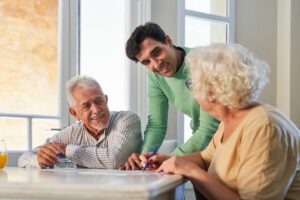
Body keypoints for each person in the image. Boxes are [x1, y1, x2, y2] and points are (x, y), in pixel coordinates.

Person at [143, 43, 300, 199]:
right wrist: (170, 160)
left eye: (191, 84)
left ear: (212, 91)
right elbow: (205, 159)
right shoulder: (229, 121)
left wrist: (191, 172)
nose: (192, 92)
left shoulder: (264, 128)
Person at [123, 22, 220, 170]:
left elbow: (209, 128)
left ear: (168, 41)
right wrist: (144, 159)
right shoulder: (155, 76)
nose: (155, 64)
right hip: (202, 150)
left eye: (156, 52)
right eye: (146, 62)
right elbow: (157, 124)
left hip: (229, 143)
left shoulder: (202, 62)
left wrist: (170, 160)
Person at [18, 75, 142, 169]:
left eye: (99, 101)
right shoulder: (71, 133)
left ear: (106, 100)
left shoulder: (127, 119)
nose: (96, 109)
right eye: (86, 106)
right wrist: (39, 160)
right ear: (74, 113)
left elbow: (115, 159)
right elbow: (23, 159)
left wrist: (68, 150)